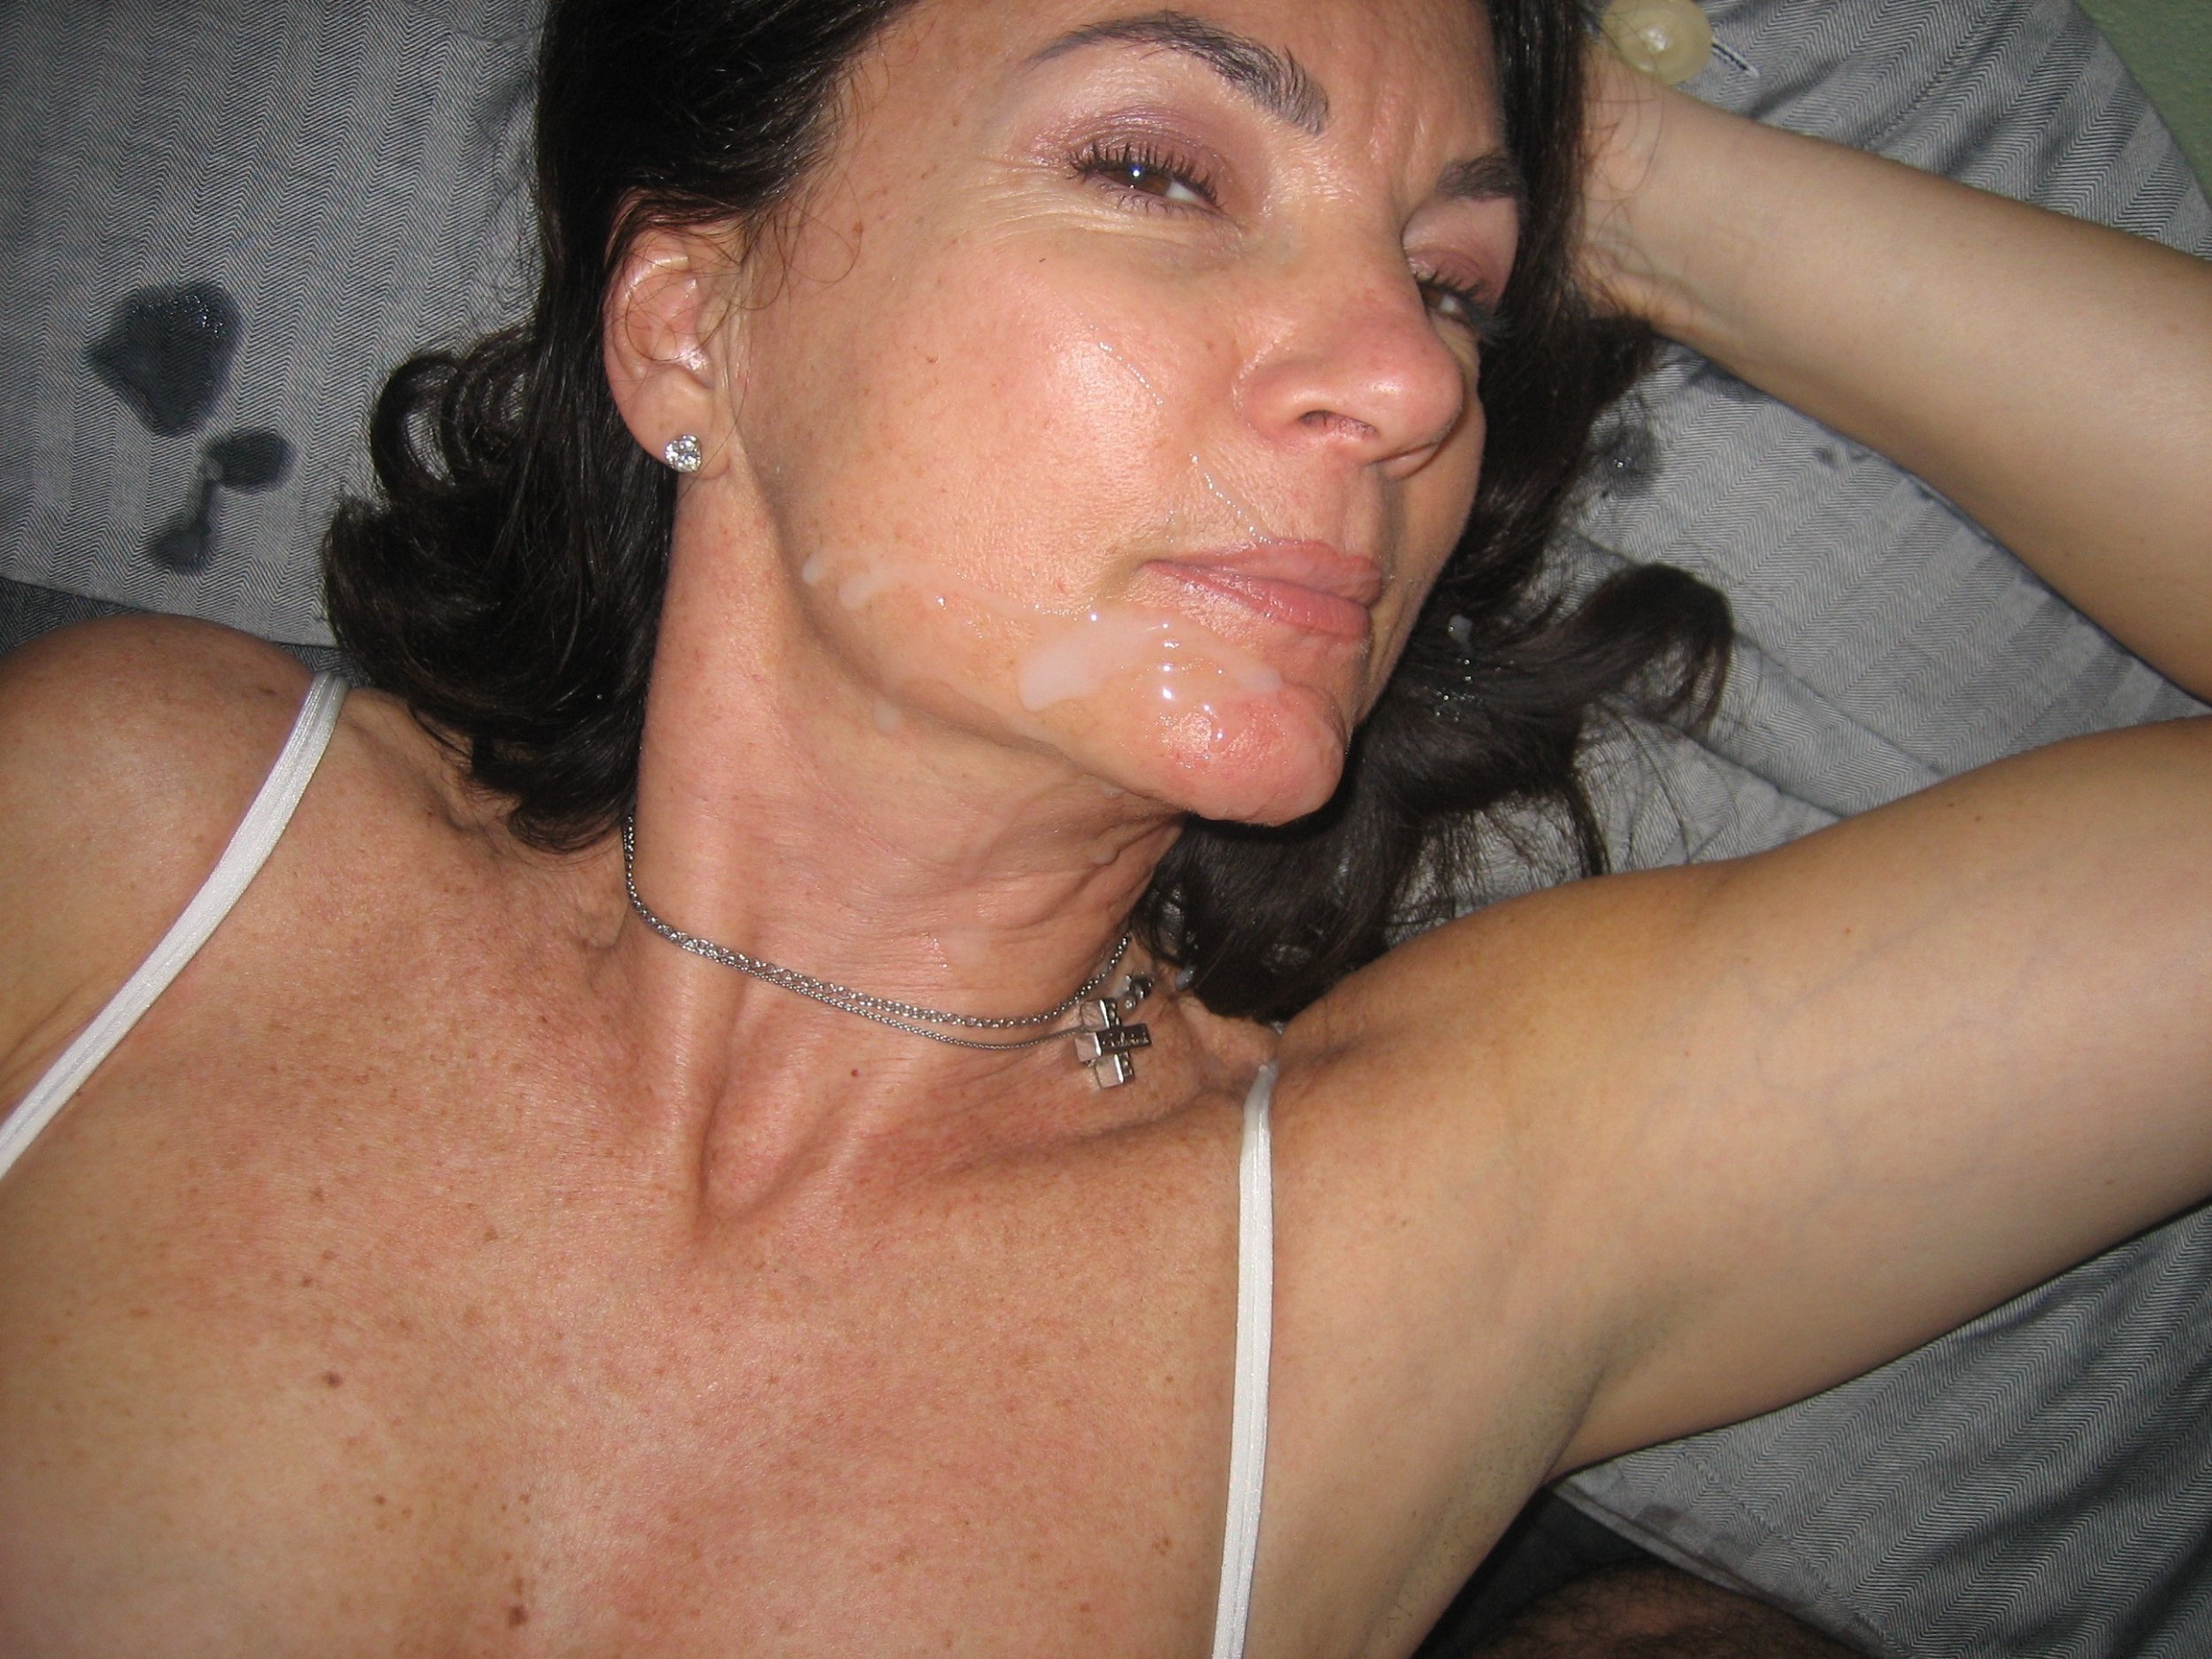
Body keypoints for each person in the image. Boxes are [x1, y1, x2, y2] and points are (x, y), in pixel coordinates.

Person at [0, 0, 2205, 1653]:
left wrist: (1594, 172)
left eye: (1450, 286)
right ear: (691, 317)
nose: (1411, 380)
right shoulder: (142, 846)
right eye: (1156, 169)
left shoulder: (1405, 1236)